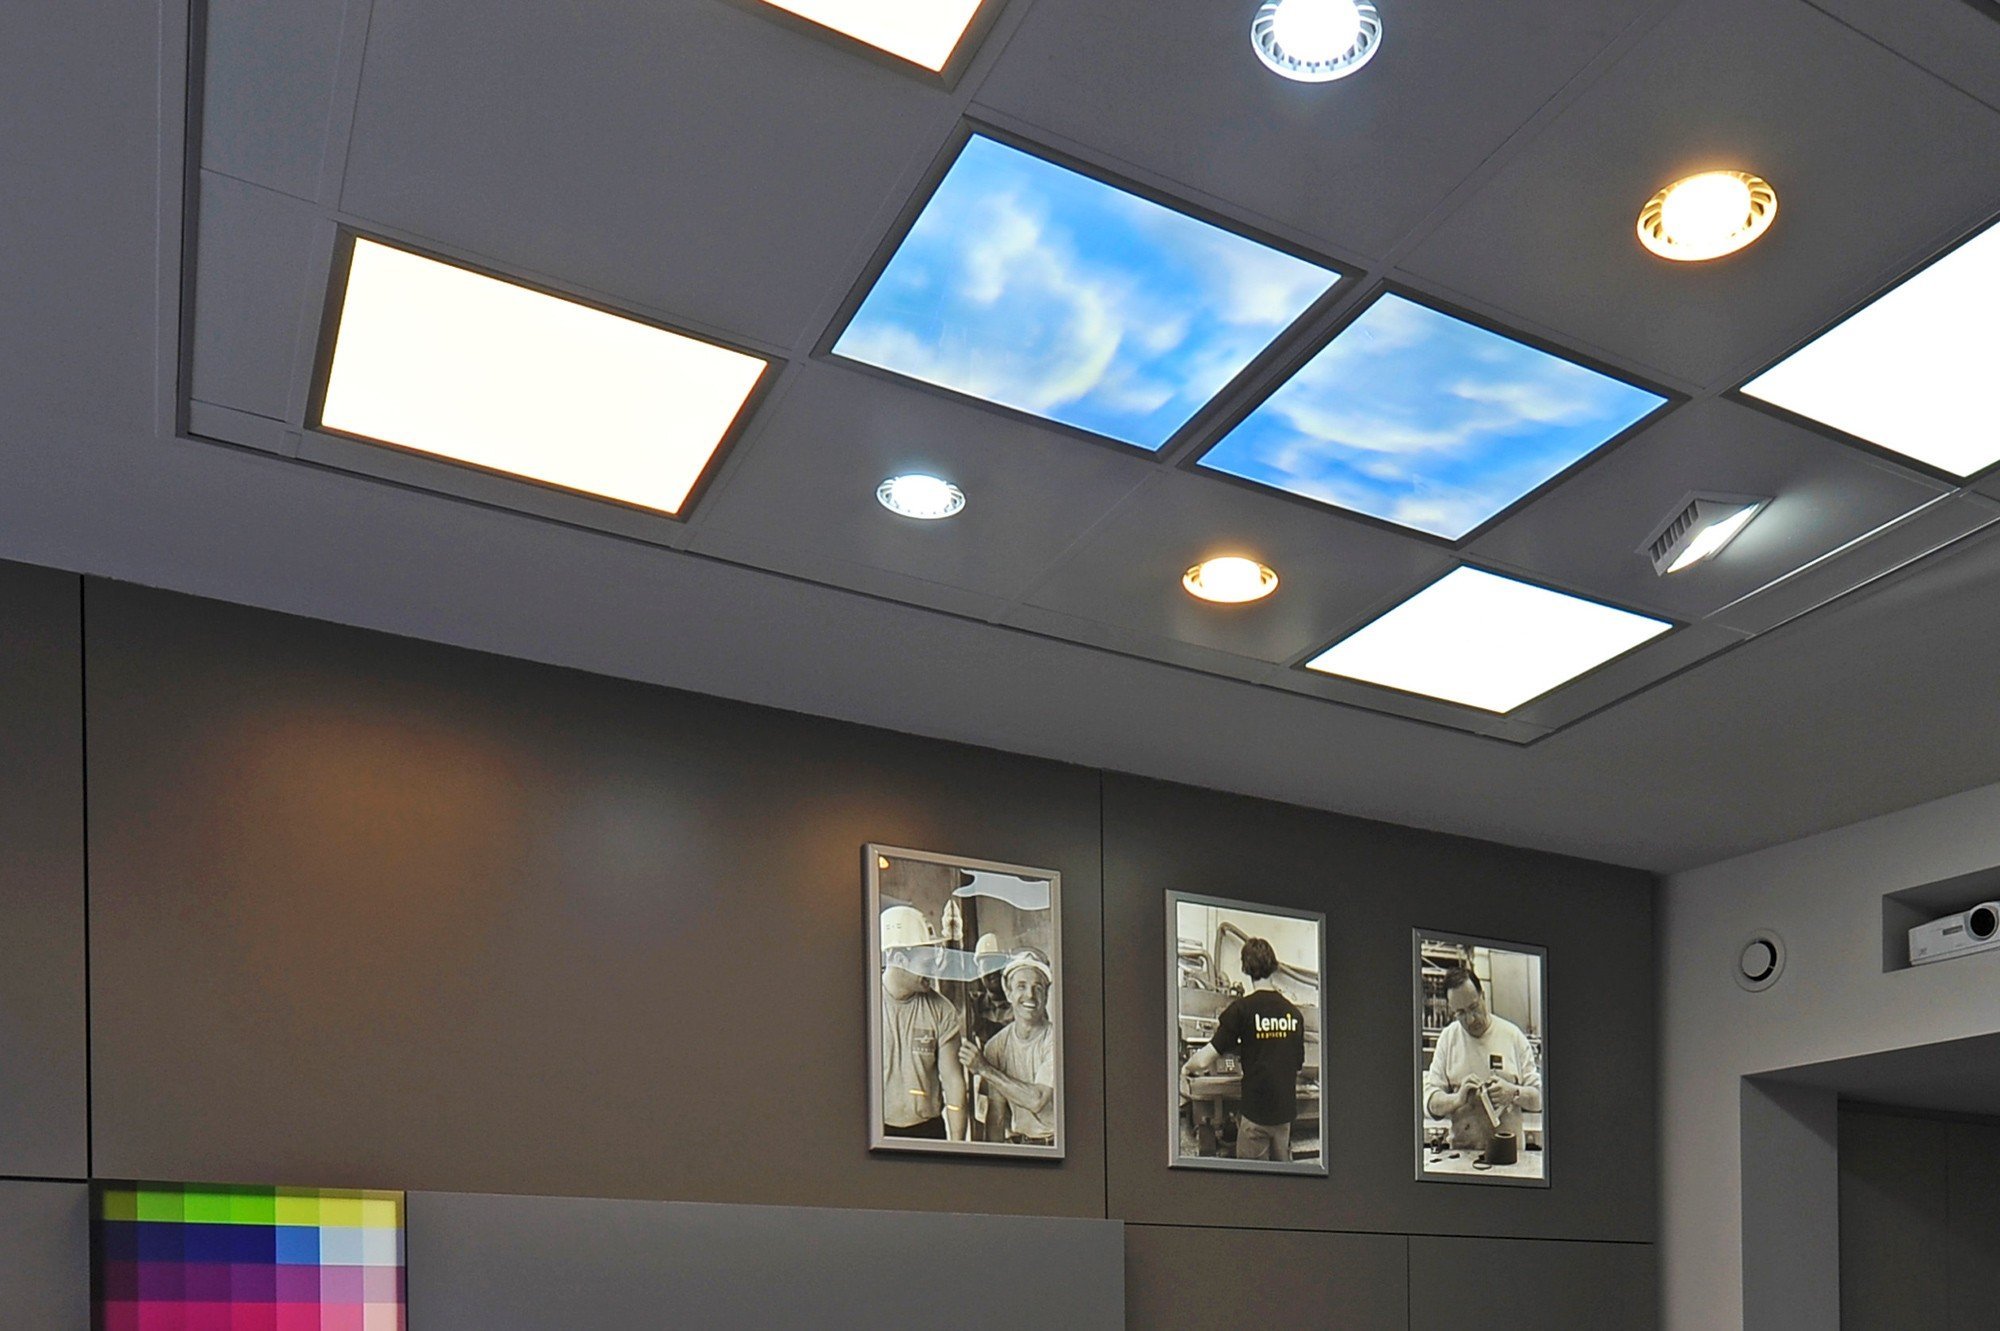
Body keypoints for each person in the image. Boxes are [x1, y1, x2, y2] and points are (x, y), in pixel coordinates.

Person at [1181, 937, 1304, 1161]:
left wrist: (1186, 1068)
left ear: (1246, 968)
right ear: (1273, 966)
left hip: (1256, 1115)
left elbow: (1204, 1060)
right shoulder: (1293, 1013)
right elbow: (1296, 1063)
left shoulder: (1241, 1010)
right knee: (1283, 1177)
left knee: (1252, 1179)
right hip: (1284, 1117)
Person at [1422, 966, 1541, 1155]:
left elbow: (1539, 1099)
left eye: (1474, 1008)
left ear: (1483, 996)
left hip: (1509, 1158)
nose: (1470, 1019)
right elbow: (1430, 1103)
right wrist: (1457, 1099)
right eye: (1460, 1013)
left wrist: (1513, 1092)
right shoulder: (1448, 1039)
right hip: (1462, 1158)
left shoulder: (1513, 1036)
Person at [879, 905, 968, 1142]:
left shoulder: (942, 1010)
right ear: (900, 959)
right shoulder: (864, 1006)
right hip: (874, 1133)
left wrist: (957, 1147)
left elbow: (954, 1083)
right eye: (927, 963)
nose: (934, 970)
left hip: (927, 1132)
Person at [959, 948, 1057, 1147]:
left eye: (1038, 988)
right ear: (1009, 992)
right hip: (1022, 1144)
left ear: (1046, 995)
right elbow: (996, 1116)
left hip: (1057, 1146)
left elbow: (1037, 1100)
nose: (1030, 995)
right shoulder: (996, 1046)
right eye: (1021, 986)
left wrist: (985, 1069)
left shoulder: (1056, 1040)